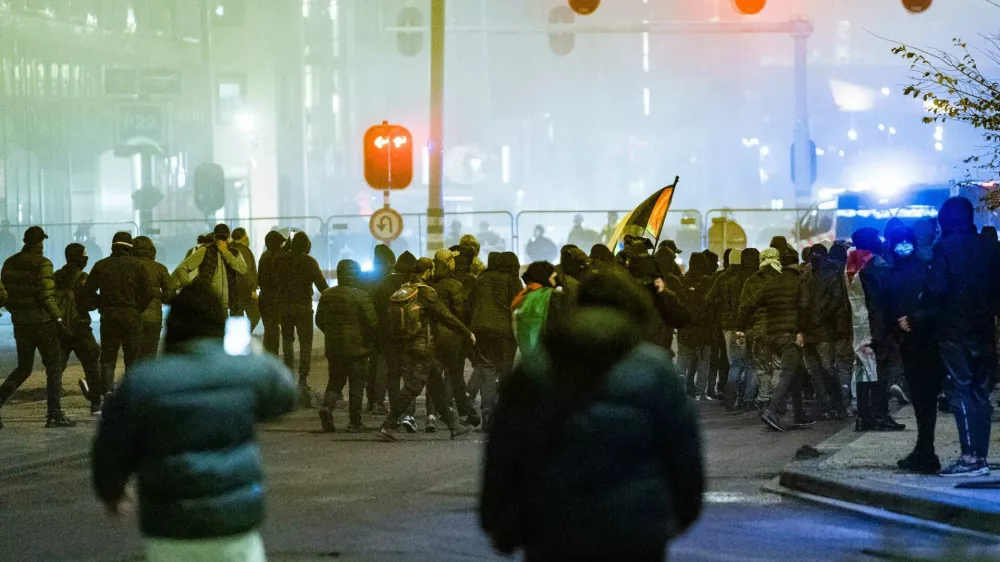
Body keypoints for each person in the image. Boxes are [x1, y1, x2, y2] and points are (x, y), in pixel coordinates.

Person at [480, 269, 705, 562]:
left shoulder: (537, 368)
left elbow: (504, 452)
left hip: (553, 526)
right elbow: (682, 452)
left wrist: (499, 523)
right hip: (635, 528)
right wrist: (683, 513)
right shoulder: (655, 369)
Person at [91, 283, 297, 562]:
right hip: (233, 527)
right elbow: (286, 395)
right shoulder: (243, 371)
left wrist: (112, 491)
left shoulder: (144, 379)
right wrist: (255, 353)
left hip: (171, 529)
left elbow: (111, 443)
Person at [918, 197, 1000, 476]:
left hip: (954, 329)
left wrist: (924, 307)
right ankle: (982, 457)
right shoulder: (988, 246)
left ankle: (969, 457)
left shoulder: (945, 248)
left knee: (960, 389)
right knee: (981, 393)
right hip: (984, 329)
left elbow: (937, 288)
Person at [378, 258, 476, 441]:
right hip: (423, 346)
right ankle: (388, 425)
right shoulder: (425, 293)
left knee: (436, 386)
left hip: (410, 343)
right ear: (428, 272)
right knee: (413, 387)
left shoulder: (406, 287)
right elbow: (445, 315)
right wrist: (466, 332)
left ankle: (454, 426)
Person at [0, 226, 75, 428]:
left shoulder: (9, 263)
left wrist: (16, 311)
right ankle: (54, 414)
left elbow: (5, 295)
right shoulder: (43, 263)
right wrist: (59, 321)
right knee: (54, 368)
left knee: (24, 368)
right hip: (42, 323)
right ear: (40, 242)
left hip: (20, 322)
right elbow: (46, 296)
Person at [884, 226, 943, 474]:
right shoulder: (915, 268)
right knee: (922, 400)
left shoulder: (916, 270)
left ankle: (925, 451)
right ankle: (924, 449)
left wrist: (911, 320)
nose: (903, 247)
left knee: (924, 399)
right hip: (915, 342)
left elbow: (938, 304)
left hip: (924, 342)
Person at [737, 247, 806, 431]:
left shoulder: (766, 282)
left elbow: (747, 305)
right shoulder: (798, 281)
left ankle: (798, 413)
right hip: (789, 334)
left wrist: (740, 327)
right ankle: (772, 410)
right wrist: (802, 331)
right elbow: (805, 308)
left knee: (788, 371)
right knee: (787, 372)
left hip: (769, 333)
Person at [846, 228, 906, 433]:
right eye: (877, 238)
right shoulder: (876, 265)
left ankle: (864, 417)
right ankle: (880, 415)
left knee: (863, 371)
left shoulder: (851, 265)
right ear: (871, 241)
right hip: (878, 327)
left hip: (858, 327)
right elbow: (885, 299)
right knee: (880, 372)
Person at [85, 232, 153, 397]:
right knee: (132, 356)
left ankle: (108, 390)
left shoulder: (101, 265)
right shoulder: (138, 265)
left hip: (109, 316)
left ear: (113, 246)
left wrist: (100, 304)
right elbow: (149, 293)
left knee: (108, 356)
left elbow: (87, 291)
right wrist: (138, 308)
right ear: (130, 247)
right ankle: (130, 392)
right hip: (132, 316)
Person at [315, 259, 378, 433]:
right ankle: (354, 422)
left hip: (334, 346)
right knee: (357, 384)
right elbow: (372, 322)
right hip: (357, 348)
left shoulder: (327, 294)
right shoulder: (361, 295)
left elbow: (319, 320)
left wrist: (332, 333)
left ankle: (326, 407)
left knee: (335, 381)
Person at [468, 252, 523, 428]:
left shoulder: (482, 278)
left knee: (487, 372)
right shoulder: (511, 280)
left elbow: (471, 303)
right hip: (503, 332)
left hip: (481, 331)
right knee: (505, 371)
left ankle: (487, 416)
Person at [797, 244, 852, 420]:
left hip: (813, 328)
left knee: (818, 369)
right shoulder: (830, 273)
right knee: (824, 368)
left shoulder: (807, 274)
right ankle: (836, 405)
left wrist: (805, 323)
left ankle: (827, 405)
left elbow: (801, 302)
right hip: (820, 328)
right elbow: (836, 300)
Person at [275, 232, 328, 406]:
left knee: (287, 339)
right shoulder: (309, 262)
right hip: (303, 306)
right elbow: (321, 285)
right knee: (306, 343)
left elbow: (272, 282)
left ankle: (288, 375)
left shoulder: (279, 260)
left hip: (284, 305)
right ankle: (303, 380)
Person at [432, 248, 480, 429]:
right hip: (452, 337)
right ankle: (465, 412)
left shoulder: (431, 284)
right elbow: (460, 312)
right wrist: (467, 331)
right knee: (456, 376)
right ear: (449, 263)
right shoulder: (454, 285)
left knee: (435, 376)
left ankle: (435, 414)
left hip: (434, 335)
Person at [54, 243, 103, 415]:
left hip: (60, 327)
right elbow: (88, 302)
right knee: (91, 363)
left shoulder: (56, 276)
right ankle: (96, 403)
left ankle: (54, 408)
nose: (86, 257)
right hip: (80, 326)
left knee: (57, 367)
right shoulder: (82, 277)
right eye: (84, 254)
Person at [373, 251, 418, 428]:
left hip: (388, 337)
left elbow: (377, 308)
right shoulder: (413, 285)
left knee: (393, 375)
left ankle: (395, 412)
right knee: (409, 376)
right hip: (409, 337)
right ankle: (408, 414)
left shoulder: (385, 283)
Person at [173, 224, 249, 317]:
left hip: (228, 301)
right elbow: (182, 268)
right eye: (219, 237)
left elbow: (243, 269)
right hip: (208, 301)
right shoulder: (205, 251)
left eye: (224, 237)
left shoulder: (235, 252)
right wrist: (190, 287)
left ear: (228, 237)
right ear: (214, 237)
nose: (221, 240)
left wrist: (225, 252)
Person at [677, 252, 715, 400]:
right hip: (704, 329)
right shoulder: (707, 281)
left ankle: (680, 391)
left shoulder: (683, 280)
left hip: (685, 328)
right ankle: (700, 393)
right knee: (703, 362)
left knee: (683, 360)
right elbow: (710, 305)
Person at [512, 261, 570, 357]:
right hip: (552, 355)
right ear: (545, 276)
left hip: (529, 356)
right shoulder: (555, 296)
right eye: (553, 274)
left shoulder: (522, 297)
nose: (556, 276)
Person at [364, 244, 396, 415]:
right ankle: (378, 401)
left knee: (372, 363)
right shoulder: (389, 277)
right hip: (384, 326)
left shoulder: (368, 276)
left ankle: (371, 401)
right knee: (383, 364)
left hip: (369, 325)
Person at [132, 237, 176, 360]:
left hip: (132, 317)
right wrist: (157, 294)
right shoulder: (160, 268)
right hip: (153, 318)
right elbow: (170, 296)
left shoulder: (127, 267)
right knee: (149, 356)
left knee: (132, 356)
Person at [257, 231, 287, 356]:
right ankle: (271, 359)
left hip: (264, 298)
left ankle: (268, 357)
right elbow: (278, 278)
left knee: (270, 330)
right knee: (273, 331)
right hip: (273, 299)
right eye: (281, 243)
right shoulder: (275, 257)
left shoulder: (265, 256)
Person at [231, 228, 261, 331]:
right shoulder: (244, 251)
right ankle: (244, 336)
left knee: (236, 318)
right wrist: (253, 288)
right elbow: (247, 270)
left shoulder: (229, 249)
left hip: (232, 289)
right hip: (245, 289)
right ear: (243, 237)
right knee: (255, 316)